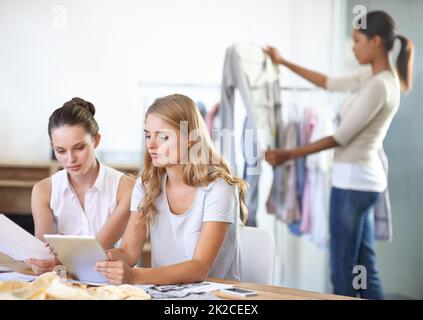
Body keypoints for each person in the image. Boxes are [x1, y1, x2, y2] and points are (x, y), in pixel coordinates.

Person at [264, 11, 413, 299]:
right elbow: (329, 82)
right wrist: (283, 61)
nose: (353, 47)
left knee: (342, 269)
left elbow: (340, 137)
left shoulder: (380, 85)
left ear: (376, 41)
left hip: (353, 184)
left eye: (357, 41)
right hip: (364, 183)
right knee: (364, 266)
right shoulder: (376, 76)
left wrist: (288, 154)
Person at [95, 94, 249, 285]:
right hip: (164, 294)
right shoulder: (147, 185)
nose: (151, 144)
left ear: (190, 138)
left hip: (214, 297)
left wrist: (134, 276)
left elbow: (199, 267)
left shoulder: (218, 188)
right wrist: (99, 260)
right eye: (148, 135)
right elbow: (128, 253)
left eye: (163, 137)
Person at [26, 97, 134, 275]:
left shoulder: (125, 188)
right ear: (53, 147)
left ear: (96, 140)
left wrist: (59, 259)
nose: (70, 159)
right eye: (60, 151)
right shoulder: (43, 190)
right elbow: (43, 255)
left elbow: (97, 248)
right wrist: (42, 263)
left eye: (79, 147)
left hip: (112, 282)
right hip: (63, 283)